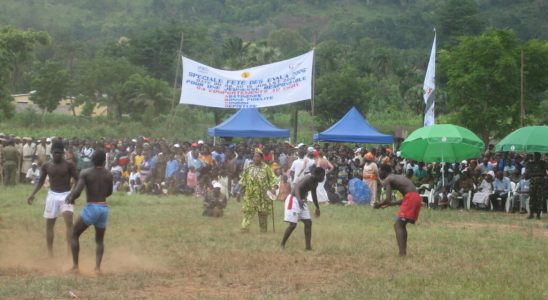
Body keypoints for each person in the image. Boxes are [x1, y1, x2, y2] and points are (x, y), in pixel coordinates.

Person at [27, 140, 79, 257]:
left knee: (69, 223)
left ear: (63, 153)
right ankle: (50, 253)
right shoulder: (46, 165)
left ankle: (69, 252)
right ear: (51, 153)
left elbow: (78, 179)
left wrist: (73, 193)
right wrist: (32, 194)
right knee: (49, 225)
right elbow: (40, 181)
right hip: (52, 195)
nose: (57, 155)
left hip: (66, 195)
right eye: (55, 153)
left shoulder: (69, 165)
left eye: (59, 153)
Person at [65, 149, 113, 273]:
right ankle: (97, 268)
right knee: (99, 240)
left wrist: (71, 197)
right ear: (103, 161)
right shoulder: (109, 174)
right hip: (103, 208)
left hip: (92, 207)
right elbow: (109, 192)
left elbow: (78, 191)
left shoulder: (86, 173)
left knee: (74, 234)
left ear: (92, 160)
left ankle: (75, 267)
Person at [374, 164, 421, 257]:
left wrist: (378, 205)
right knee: (402, 225)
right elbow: (405, 197)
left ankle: (402, 253)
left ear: (385, 171)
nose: (379, 173)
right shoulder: (396, 177)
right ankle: (403, 252)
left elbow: (388, 199)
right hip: (416, 197)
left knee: (398, 225)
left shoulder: (388, 179)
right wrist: (391, 204)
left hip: (411, 197)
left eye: (380, 171)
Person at [281, 167, 326, 250]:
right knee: (293, 225)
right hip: (294, 199)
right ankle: (282, 244)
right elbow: (297, 188)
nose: (323, 178)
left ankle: (308, 247)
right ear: (318, 174)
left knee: (308, 222)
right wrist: (299, 200)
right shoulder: (308, 178)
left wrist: (317, 207)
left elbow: (314, 195)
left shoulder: (315, 182)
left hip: (301, 200)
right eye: (322, 176)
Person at [238, 151, 277, 233]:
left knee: (263, 214)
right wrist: (239, 192)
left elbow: (273, 179)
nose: (255, 158)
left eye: (257, 156)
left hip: (262, 196)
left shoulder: (266, 168)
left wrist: (273, 188)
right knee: (248, 212)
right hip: (250, 196)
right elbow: (243, 180)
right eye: (254, 156)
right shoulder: (248, 168)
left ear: (261, 158)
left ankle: (263, 231)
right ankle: (244, 229)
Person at [525, 152, 547, 219]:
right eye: (535, 156)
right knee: (532, 198)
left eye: (537, 156)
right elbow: (527, 176)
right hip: (532, 184)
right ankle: (531, 213)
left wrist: (535, 174)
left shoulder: (543, 163)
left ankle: (538, 214)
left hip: (540, 184)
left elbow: (545, 173)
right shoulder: (530, 164)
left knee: (539, 198)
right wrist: (539, 174)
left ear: (540, 157)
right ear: (533, 157)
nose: (536, 157)